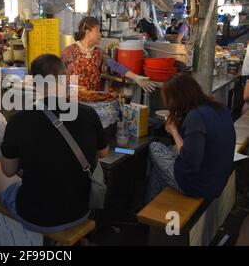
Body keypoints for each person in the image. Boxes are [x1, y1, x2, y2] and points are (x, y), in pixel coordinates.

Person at [0, 54, 109, 233]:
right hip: (80, 211)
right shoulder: (88, 113)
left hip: (34, 216)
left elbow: (9, 170)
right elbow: (103, 152)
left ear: (34, 84)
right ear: (64, 79)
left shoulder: (19, 120)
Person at [146, 74, 236, 202]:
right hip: (218, 179)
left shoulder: (196, 116)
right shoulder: (219, 108)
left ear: (176, 99)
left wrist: (174, 131)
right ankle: (151, 205)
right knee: (160, 169)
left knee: (155, 147)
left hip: (199, 186)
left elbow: (190, 162)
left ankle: (149, 206)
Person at [61, 17, 156, 92]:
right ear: (88, 32)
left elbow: (116, 66)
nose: (100, 35)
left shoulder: (99, 53)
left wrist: (136, 77)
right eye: (97, 31)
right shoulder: (69, 51)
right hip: (72, 102)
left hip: (92, 99)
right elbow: (59, 75)